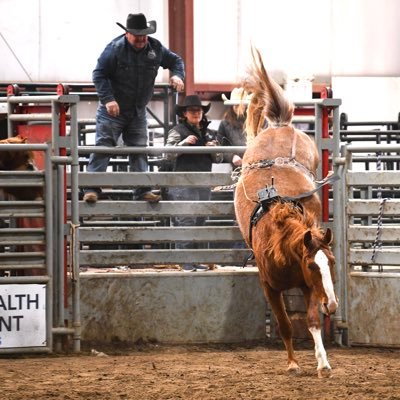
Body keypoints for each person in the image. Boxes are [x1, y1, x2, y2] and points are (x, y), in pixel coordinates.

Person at [83, 13, 185, 203]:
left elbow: (176, 61)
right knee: (104, 146)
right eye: (137, 35)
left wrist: (178, 75)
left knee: (139, 149)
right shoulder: (114, 50)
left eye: (144, 34)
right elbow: (99, 74)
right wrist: (108, 99)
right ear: (127, 34)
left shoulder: (155, 48)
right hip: (112, 111)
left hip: (137, 110)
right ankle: (91, 188)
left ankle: (142, 190)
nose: (142, 39)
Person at [166, 95, 222, 271]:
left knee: (200, 221)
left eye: (198, 110)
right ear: (185, 113)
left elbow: (219, 158)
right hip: (184, 183)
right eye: (192, 110)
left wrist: (214, 150)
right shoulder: (177, 131)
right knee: (186, 221)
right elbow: (167, 154)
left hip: (203, 183)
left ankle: (194, 260)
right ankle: (185, 261)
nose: (196, 113)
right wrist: (183, 144)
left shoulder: (209, 133)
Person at [217, 87, 252, 170]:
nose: (237, 107)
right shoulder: (224, 123)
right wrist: (232, 156)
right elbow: (221, 146)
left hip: (254, 164)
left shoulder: (256, 121)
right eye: (235, 105)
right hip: (236, 166)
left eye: (240, 105)